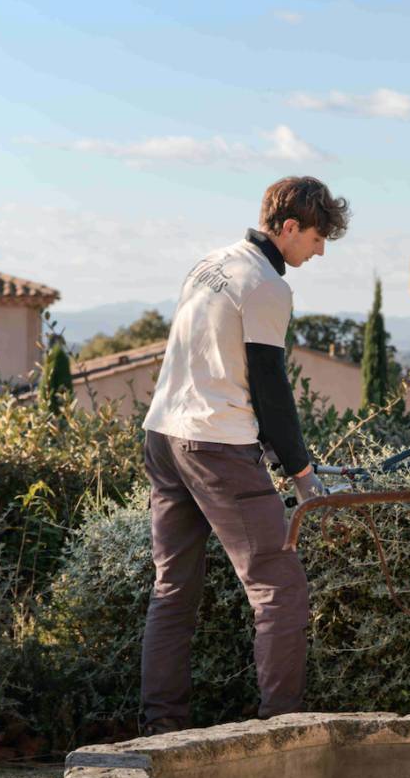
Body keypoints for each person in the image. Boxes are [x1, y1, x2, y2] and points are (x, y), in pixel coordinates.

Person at [137, 176, 349, 736]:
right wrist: (303, 474)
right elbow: (271, 389)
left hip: (163, 434)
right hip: (216, 445)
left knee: (173, 589)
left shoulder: (209, 264)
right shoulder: (265, 286)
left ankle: (161, 732)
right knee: (280, 588)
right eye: (316, 237)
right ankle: (280, 733)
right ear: (288, 228)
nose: (320, 249)